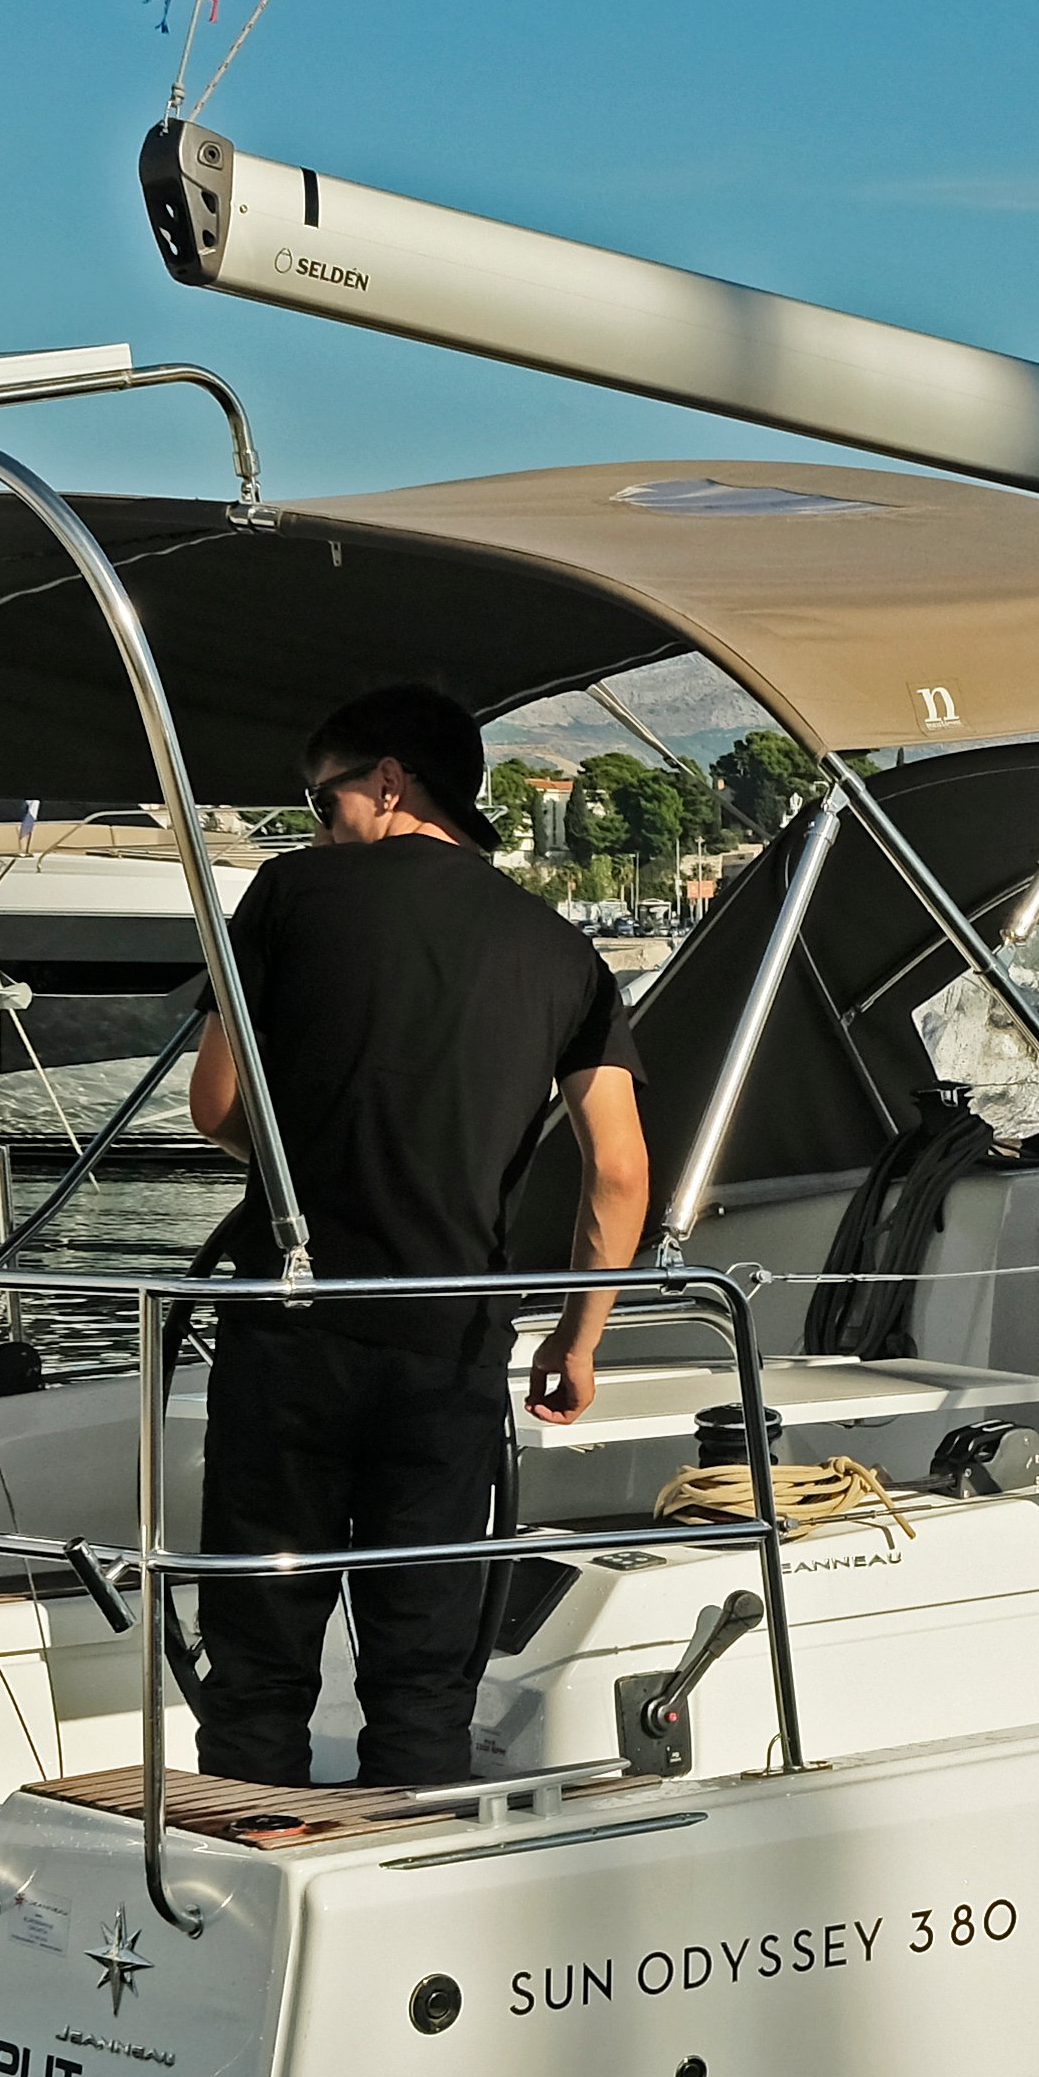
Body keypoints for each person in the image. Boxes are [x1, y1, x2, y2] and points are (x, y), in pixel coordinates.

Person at [185, 683, 650, 1789]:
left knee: (258, 1660)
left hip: (292, 1326)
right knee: (425, 1665)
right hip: (451, 1342)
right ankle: (414, 1855)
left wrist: (300, 1165)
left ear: (389, 781)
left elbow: (214, 1103)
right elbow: (620, 1171)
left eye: (324, 801)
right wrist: (580, 1338)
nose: (318, 828)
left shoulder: (289, 895)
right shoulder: (560, 949)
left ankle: (243, 1853)